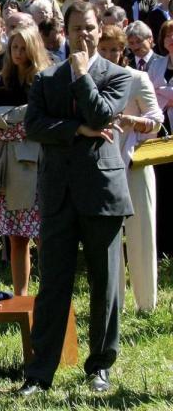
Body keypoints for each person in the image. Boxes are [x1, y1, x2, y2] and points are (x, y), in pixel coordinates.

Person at [18, 1, 133, 396]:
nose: (84, 34)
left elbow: (102, 116)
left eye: (90, 28)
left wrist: (83, 76)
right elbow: (33, 126)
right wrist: (76, 130)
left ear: (100, 30)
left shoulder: (118, 75)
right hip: (58, 195)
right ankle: (39, 372)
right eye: (77, 28)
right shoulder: (46, 78)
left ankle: (99, 366)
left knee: (105, 286)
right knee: (53, 286)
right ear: (64, 32)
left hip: (102, 194)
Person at [96, 25, 161, 314]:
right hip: (100, 170)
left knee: (141, 235)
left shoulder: (137, 78)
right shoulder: (89, 82)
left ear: (123, 51)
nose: (110, 54)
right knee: (107, 240)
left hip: (135, 166)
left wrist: (131, 121)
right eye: (104, 48)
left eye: (115, 49)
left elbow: (156, 118)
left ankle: (146, 303)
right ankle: (114, 303)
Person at [0, 26, 48, 296]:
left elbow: (40, 123)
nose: (18, 53)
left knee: (43, 234)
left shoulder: (43, 80)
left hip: (36, 163)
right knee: (16, 238)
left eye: (23, 48)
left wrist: (7, 121)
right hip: (5, 164)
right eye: (14, 47)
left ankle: (49, 292)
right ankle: (21, 295)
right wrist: (21, 118)